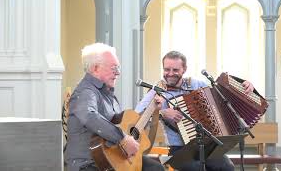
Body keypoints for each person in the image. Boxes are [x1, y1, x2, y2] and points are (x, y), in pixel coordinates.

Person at [135, 51, 255, 171]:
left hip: (207, 145)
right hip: (179, 149)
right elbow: (137, 117)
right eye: (167, 69)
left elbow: (221, 94)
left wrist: (243, 86)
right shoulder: (157, 90)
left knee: (226, 167)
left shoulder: (196, 84)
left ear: (184, 69)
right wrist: (161, 113)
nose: (170, 74)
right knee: (196, 168)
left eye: (175, 70)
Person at [65, 43, 164, 171]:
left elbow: (121, 126)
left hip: (113, 159)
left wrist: (152, 111)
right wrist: (122, 138)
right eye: (114, 68)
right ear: (95, 68)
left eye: (118, 68)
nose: (118, 73)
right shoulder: (85, 91)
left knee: (155, 168)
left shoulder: (107, 94)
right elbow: (89, 115)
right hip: (88, 164)